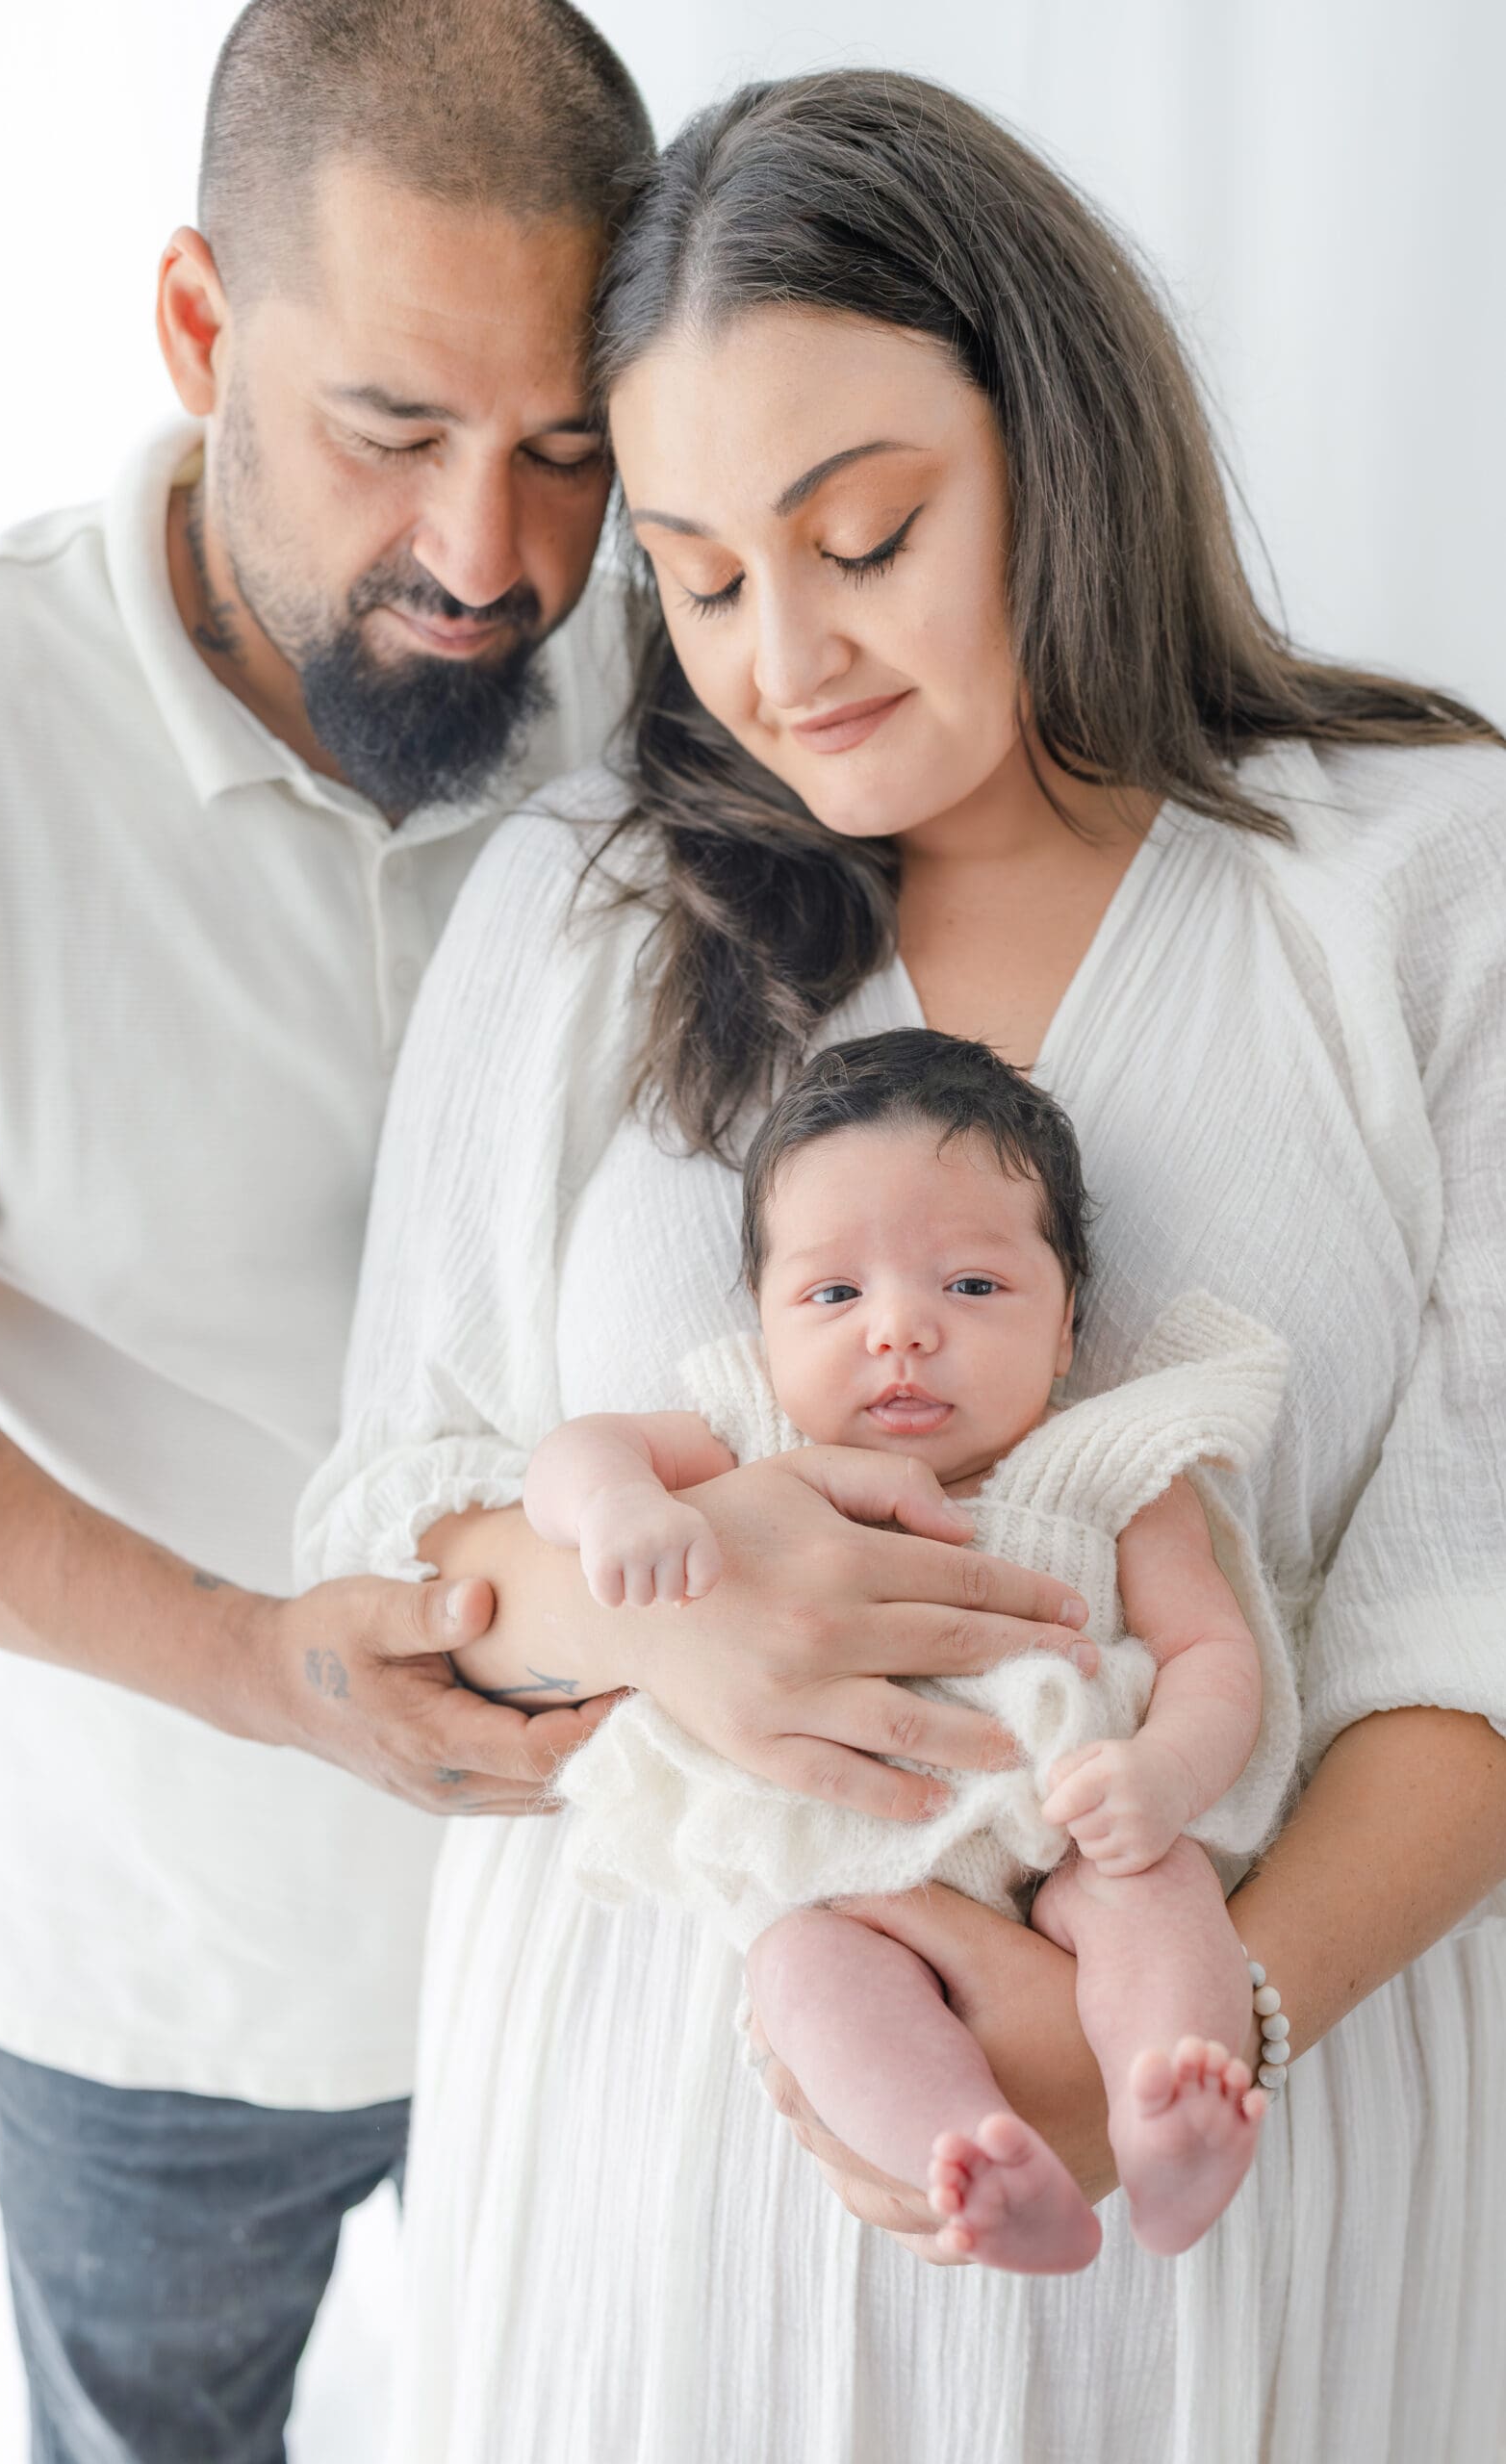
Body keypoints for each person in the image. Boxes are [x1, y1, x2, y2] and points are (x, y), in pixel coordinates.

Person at [298, 66, 1506, 2464]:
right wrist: (664, 1600)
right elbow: (383, 1536)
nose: (785, 658)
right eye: (704, 571)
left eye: (866, 535)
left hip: (1249, 2185)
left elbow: (1468, 1612)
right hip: (661, 2202)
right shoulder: (580, 908)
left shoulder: (1420, 886)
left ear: (1055, 445)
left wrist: (1202, 2018)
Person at [0, 3, 659, 2454]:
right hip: (155, 1974)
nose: (490, 558)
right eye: (391, 432)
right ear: (202, 327)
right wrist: (259, 1662)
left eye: (565, 449)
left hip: (634, 1917)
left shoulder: (695, 645)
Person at [517, 1028, 1287, 2270]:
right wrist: (619, 1507)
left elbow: (1214, 1653)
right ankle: (971, 2157)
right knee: (805, 1972)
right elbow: (570, 1455)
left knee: (1157, 1893)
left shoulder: (1113, 1469)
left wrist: (1165, 1779)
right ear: (764, 1326)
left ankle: (1174, 2114)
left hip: (1072, 1835)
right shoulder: (745, 1437)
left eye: (972, 1287)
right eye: (833, 1295)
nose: (900, 1332)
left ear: (1068, 1324)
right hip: (850, 1881)